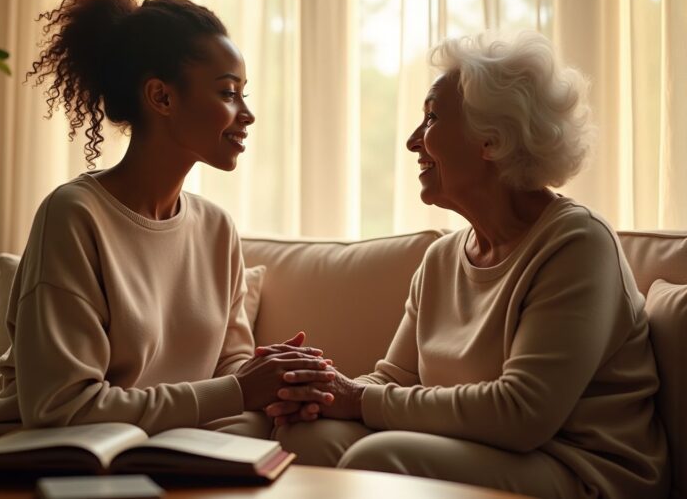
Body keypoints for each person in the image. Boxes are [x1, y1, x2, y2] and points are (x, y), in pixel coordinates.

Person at [0, 0, 335, 462]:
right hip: (14, 459)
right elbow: (60, 408)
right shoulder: (75, 216)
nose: (246, 114)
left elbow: (231, 377)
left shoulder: (217, 229)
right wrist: (239, 391)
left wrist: (281, 385)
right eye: (229, 93)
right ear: (161, 97)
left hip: (147, 457)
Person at [266, 32, 669, 498]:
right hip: (485, 451)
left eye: (432, 118)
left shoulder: (577, 244)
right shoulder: (441, 259)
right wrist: (317, 393)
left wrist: (360, 399)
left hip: (582, 468)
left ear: (492, 140)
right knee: (309, 437)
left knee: (378, 461)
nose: (412, 141)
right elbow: (393, 381)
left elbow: (521, 414)